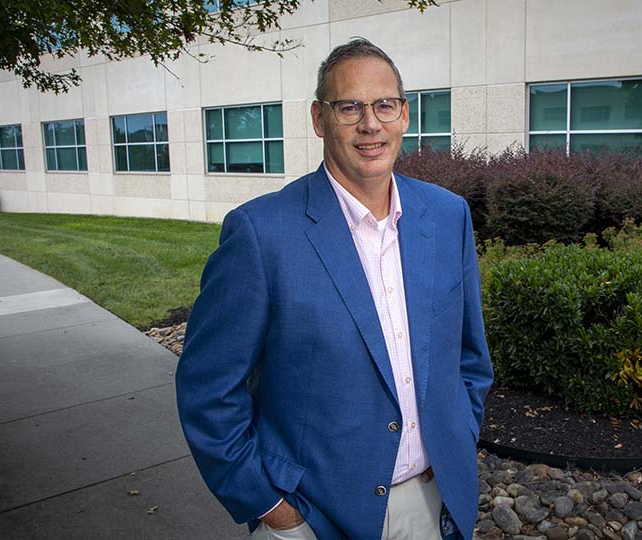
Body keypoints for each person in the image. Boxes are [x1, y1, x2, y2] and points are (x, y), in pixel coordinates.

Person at [175, 38, 493, 540]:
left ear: (404, 115)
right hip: (315, 516)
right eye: (350, 107)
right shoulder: (261, 234)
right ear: (320, 120)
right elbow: (208, 391)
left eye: (384, 104)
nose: (371, 124)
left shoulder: (448, 215)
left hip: (435, 503)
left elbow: (470, 359)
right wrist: (270, 507)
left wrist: (458, 436)